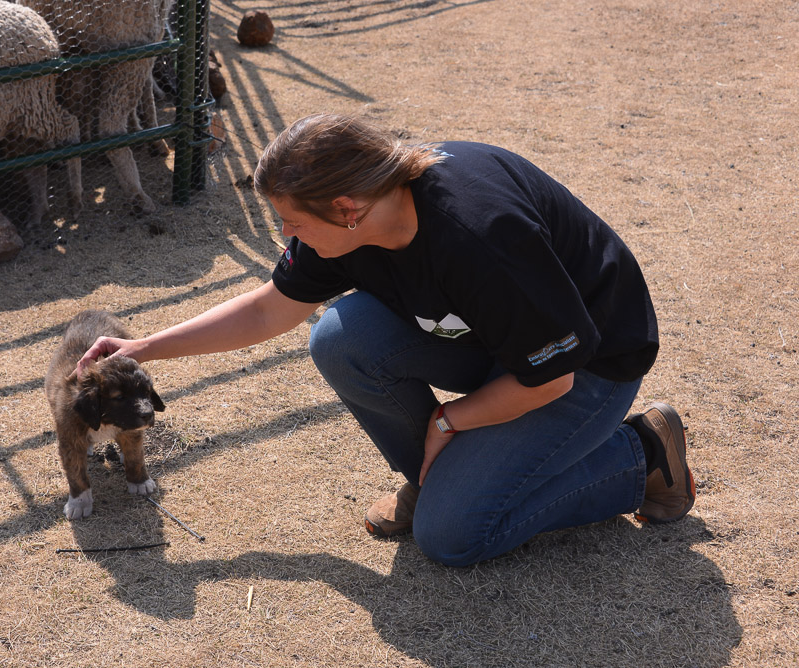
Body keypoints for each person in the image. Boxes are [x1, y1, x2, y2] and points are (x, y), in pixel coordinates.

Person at [73, 113, 695, 567]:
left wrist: (450, 421)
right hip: (500, 343)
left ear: (346, 208)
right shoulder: (361, 218)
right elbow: (267, 311)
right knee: (341, 337)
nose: (284, 234)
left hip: (585, 368)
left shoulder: (479, 236)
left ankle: (638, 456)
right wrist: (142, 348)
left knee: (453, 538)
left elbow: (550, 377)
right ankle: (434, 484)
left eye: (291, 220)